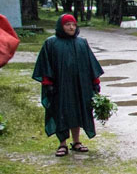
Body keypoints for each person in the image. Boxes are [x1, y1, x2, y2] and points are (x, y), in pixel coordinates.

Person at [31, 14, 104, 156]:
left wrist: (95, 82)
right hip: (60, 86)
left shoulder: (82, 43)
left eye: (73, 25)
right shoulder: (51, 43)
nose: (71, 27)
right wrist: (48, 83)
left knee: (77, 111)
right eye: (67, 24)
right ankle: (62, 144)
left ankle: (76, 142)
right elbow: (45, 64)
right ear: (61, 26)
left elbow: (91, 64)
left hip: (80, 85)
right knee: (61, 112)